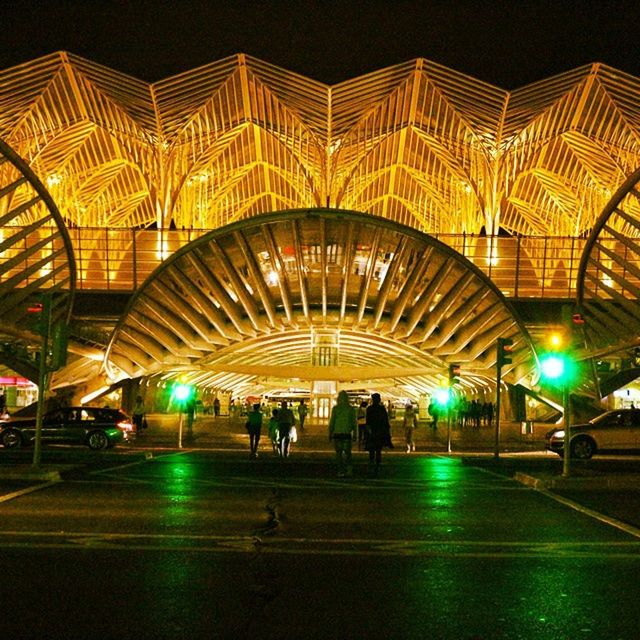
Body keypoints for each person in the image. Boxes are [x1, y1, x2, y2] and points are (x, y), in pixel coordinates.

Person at [328, 390, 357, 477]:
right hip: (346, 433)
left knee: (339, 453)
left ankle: (340, 470)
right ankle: (349, 469)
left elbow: (332, 421)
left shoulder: (336, 409)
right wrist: (355, 433)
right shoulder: (351, 409)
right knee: (348, 453)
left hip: (337, 433)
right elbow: (353, 422)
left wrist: (330, 432)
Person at [365, 393, 393, 476]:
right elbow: (385, 421)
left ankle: (372, 465)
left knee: (372, 450)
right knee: (378, 450)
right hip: (380, 431)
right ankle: (377, 466)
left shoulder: (369, 409)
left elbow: (368, 421)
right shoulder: (382, 409)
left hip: (373, 431)